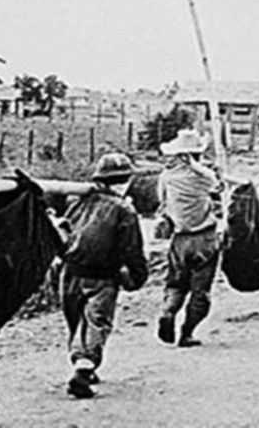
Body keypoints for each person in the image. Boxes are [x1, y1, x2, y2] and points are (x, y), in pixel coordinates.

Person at [60, 153, 148, 398]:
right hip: (102, 275)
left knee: (75, 319)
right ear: (125, 180)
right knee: (97, 321)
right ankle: (84, 368)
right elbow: (132, 248)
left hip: (70, 271)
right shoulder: (124, 209)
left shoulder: (77, 200)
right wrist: (138, 275)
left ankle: (82, 364)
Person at [156, 129, 223, 348]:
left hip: (179, 238)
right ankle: (187, 333)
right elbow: (217, 185)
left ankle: (168, 311)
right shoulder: (202, 178)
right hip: (205, 238)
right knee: (200, 291)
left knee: (176, 283)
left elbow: (162, 204)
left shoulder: (167, 177)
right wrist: (198, 166)